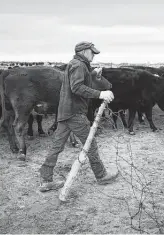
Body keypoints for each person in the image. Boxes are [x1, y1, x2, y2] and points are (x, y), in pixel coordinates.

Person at [39, 41, 119, 192]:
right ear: (83, 52)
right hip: (75, 113)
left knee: (57, 146)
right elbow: (77, 87)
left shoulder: (75, 64)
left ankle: (45, 179)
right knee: (91, 145)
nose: (94, 55)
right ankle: (101, 175)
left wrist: (93, 74)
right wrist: (100, 93)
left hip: (65, 112)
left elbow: (74, 84)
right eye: (92, 52)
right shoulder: (79, 65)